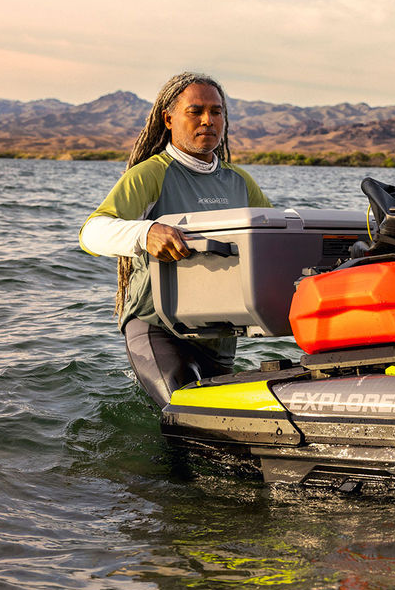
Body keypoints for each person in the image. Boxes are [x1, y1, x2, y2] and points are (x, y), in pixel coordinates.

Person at [79, 72, 271, 408]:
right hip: (157, 328)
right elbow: (92, 232)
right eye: (195, 111)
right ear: (168, 119)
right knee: (186, 413)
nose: (208, 120)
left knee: (218, 431)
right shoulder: (152, 173)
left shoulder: (239, 181)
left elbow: (276, 238)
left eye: (217, 111)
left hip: (220, 339)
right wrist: (145, 232)